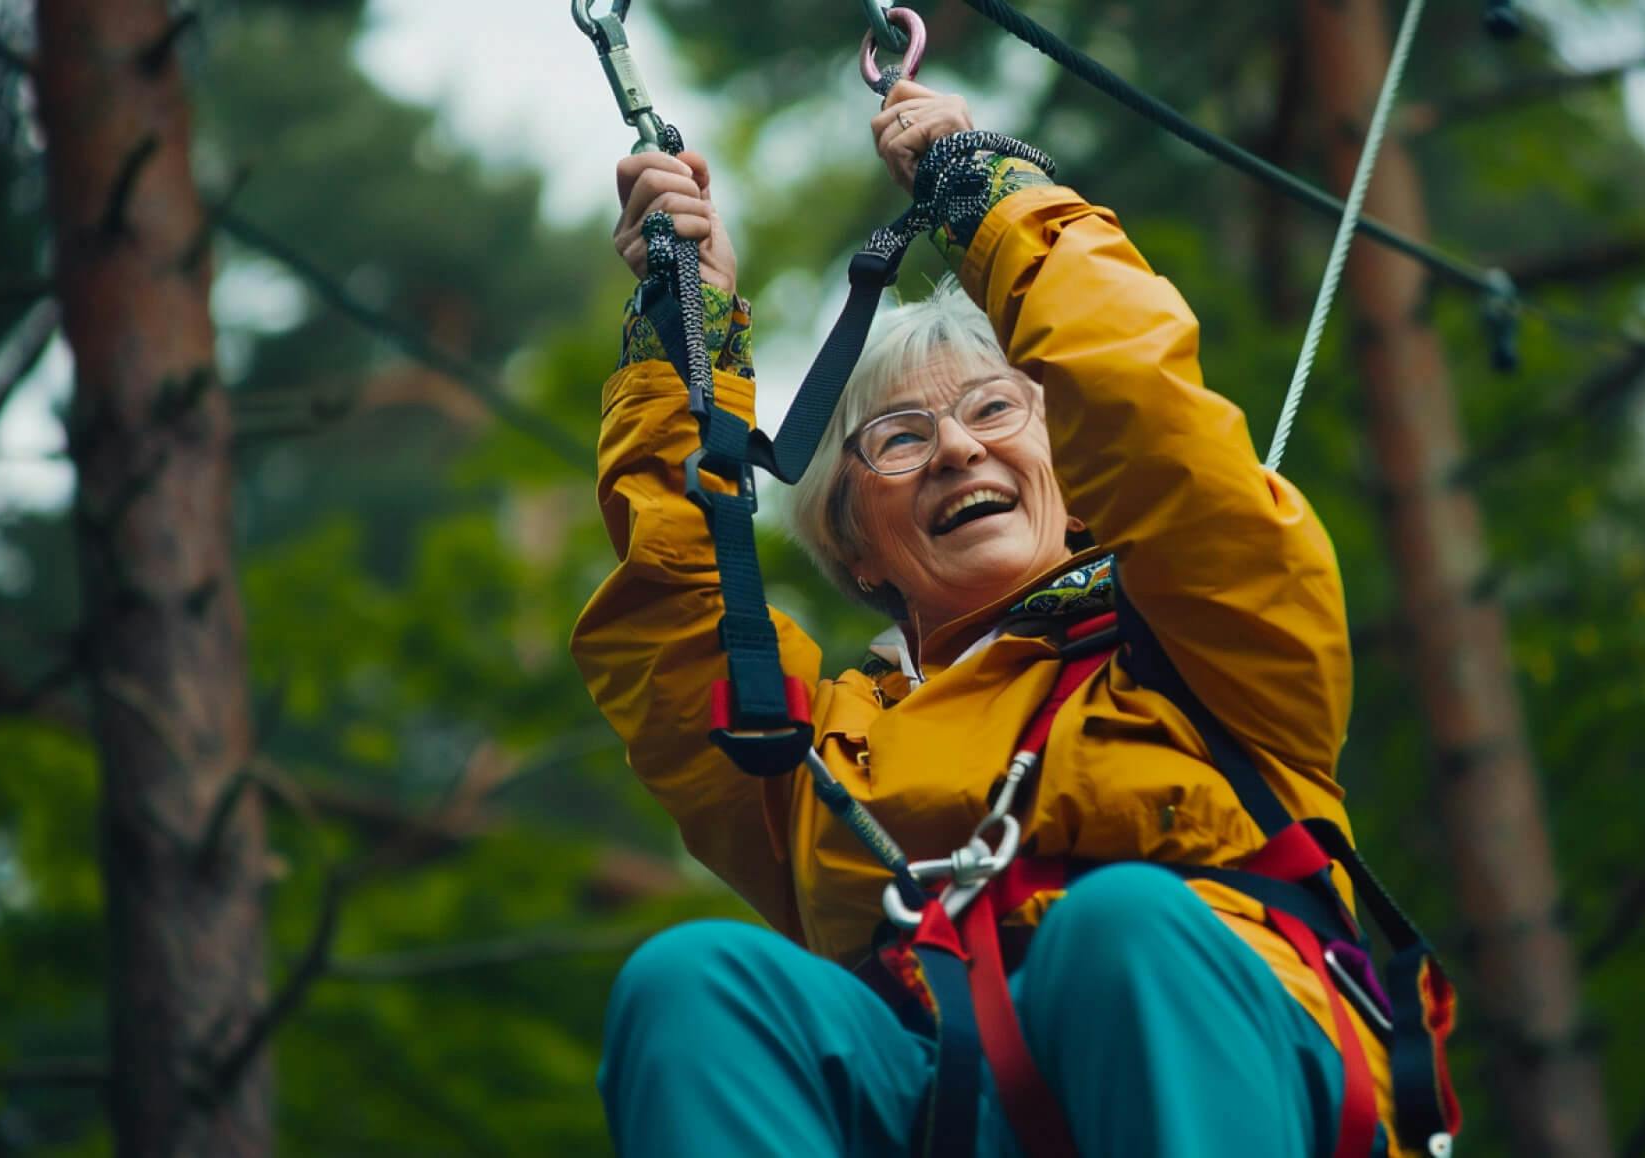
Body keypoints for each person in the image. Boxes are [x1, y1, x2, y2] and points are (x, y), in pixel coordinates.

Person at [573, 79, 1403, 1157]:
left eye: (995, 407)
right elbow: (678, 621)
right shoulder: (813, 759)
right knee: (694, 983)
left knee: (1119, 927)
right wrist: (684, 334)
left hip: (1206, 1058)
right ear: (853, 538)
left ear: (1074, 464)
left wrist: (994, 203)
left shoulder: (1213, 636)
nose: (959, 448)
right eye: (902, 438)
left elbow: (1157, 427)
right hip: (946, 1096)